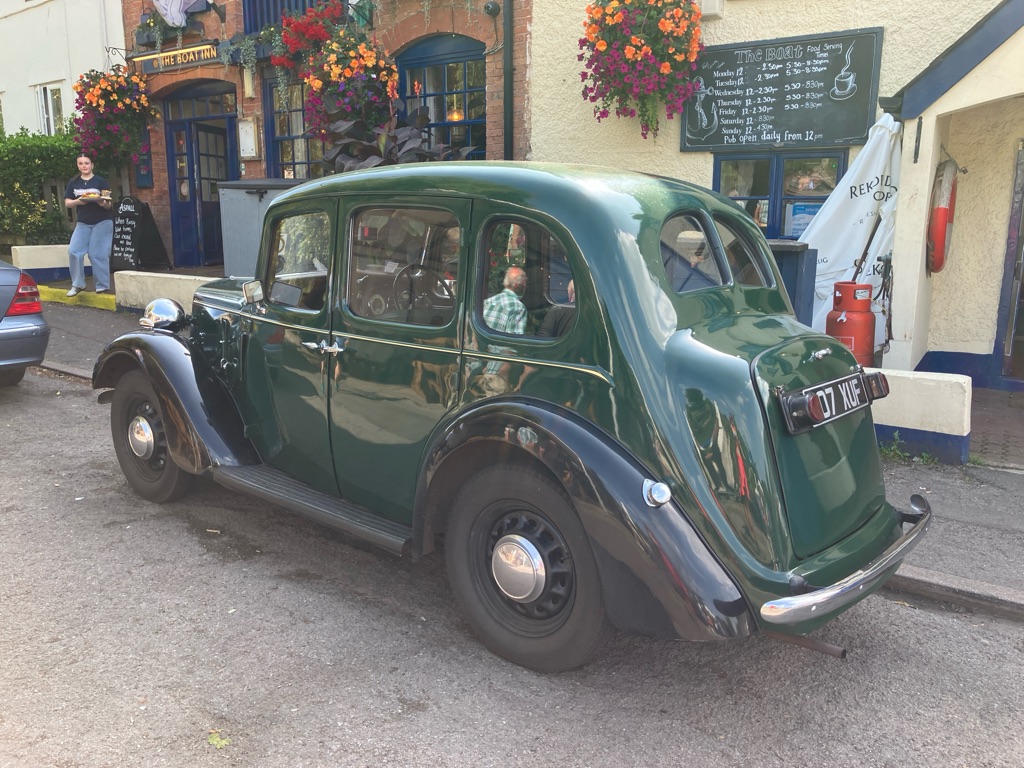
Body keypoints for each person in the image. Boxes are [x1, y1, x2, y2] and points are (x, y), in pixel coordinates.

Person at [64, 153, 113, 297]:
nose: (84, 166)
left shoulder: (100, 181)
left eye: (86, 163)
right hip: (83, 222)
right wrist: (78, 201)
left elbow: (108, 205)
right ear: (77, 165)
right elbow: (68, 203)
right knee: (74, 251)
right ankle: (78, 284)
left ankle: (102, 286)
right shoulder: (73, 182)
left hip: (102, 221)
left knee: (97, 254)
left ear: (92, 165)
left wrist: (102, 202)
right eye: (81, 163)